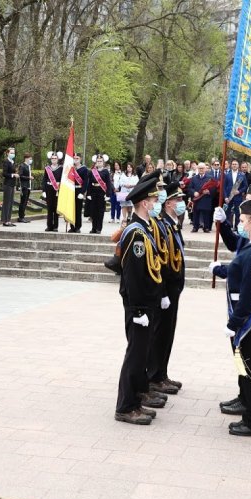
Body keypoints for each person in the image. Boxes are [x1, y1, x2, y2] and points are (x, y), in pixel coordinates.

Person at [210, 199, 251, 437]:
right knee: (248, 367)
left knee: (250, 369)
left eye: (241, 220)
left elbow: (249, 294)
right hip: (250, 315)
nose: (239, 223)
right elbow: (239, 273)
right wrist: (220, 270)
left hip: (250, 318)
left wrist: (234, 323)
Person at [114, 175, 164, 425]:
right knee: (134, 356)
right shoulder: (136, 234)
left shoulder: (143, 228)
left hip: (147, 303)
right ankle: (125, 406)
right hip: (139, 306)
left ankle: (135, 399)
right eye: (154, 199)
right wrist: (136, 310)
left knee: (140, 355)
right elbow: (133, 276)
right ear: (145, 203)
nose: (157, 202)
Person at [148, 181, 186, 395]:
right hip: (166, 287)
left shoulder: (173, 223)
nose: (182, 203)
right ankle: (154, 376)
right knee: (160, 333)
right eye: (179, 200)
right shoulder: (161, 224)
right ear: (169, 203)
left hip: (174, 287)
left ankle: (162, 373)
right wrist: (162, 292)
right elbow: (160, 261)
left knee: (168, 332)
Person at [88, 154, 112, 234]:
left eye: (100, 161)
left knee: (100, 211)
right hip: (93, 192)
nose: (99, 162)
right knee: (93, 211)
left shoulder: (106, 172)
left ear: (103, 162)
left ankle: (99, 228)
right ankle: (93, 228)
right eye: (97, 161)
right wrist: (88, 194)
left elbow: (108, 183)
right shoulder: (92, 172)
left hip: (102, 193)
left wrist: (108, 194)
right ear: (95, 162)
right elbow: (89, 183)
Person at [189, 162, 216, 232]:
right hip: (197, 199)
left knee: (206, 214)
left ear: (205, 169)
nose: (201, 169)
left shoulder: (210, 178)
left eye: (202, 168)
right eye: (199, 168)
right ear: (198, 169)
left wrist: (209, 191)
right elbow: (190, 188)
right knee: (196, 213)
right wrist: (194, 192)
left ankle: (206, 227)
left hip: (206, 199)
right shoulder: (194, 178)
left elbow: (214, 188)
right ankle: (195, 227)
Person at [69, 154, 90, 233]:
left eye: (77, 158)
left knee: (78, 210)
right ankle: (72, 226)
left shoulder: (84, 169)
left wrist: (82, 192)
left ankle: (78, 227)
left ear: (80, 159)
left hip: (79, 190)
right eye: (74, 158)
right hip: (71, 190)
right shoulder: (71, 168)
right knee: (71, 210)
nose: (75, 159)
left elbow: (85, 182)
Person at [223, 159, 247, 225]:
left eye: (235, 164)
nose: (234, 165)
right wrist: (225, 197)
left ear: (238, 166)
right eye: (233, 164)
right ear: (231, 165)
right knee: (227, 212)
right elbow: (224, 187)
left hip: (238, 197)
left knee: (237, 213)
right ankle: (228, 226)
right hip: (229, 197)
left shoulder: (242, 175)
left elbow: (245, 186)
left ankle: (237, 227)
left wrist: (239, 191)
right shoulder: (227, 175)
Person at [43, 151, 62, 232]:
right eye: (52, 158)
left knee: (56, 209)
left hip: (57, 190)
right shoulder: (47, 168)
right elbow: (44, 179)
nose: (54, 159)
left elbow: (63, 179)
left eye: (55, 158)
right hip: (49, 189)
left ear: (58, 159)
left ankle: (55, 226)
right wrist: (44, 190)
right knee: (49, 209)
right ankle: (49, 226)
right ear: (50, 159)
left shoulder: (61, 168)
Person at [0, 147, 18, 227]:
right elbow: (4, 173)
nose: (12, 154)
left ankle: (9, 220)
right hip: (7, 184)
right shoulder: (6, 161)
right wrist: (13, 175)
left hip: (12, 184)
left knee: (11, 202)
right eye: (11, 153)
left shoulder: (12, 162)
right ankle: (5, 220)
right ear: (7, 153)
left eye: (13, 153)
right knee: (7, 202)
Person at [17, 152, 33, 223]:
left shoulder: (29, 166)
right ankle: (21, 217)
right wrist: (28, 178)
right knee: (23, 202)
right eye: (30, 158)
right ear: (26, 158)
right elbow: (20, 176)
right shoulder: (22, 166)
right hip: (24, 186)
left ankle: (23, 216)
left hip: (28, 186)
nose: (31, 160)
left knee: (25, 202)